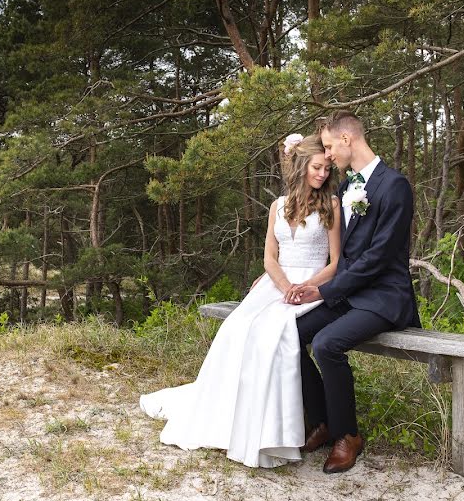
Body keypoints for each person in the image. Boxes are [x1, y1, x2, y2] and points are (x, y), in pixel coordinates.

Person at [140, 134, 341, 468]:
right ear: (302, 166)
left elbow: (336, 264)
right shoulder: (280, 205)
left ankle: (290, 424)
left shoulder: (331, 206)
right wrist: (283, 284)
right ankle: (237, 416)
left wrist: (304, 286)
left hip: (312, 285)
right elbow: (269, 259)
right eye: (317, 167)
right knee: (237, 327)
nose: (322, 174)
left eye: (326, 168)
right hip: (277, 284)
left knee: (274, 334)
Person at [287, 111, 420, 474]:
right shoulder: (346, 189)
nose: (328, 156)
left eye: (330, 146)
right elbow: (332, 248)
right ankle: (324, 421)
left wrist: (324, 291)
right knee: (291, 335)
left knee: (327, 344)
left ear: (347, 140)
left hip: (383, 296)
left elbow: (377, 259)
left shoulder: (394, 186)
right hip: (349, 293)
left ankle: (349, 435)